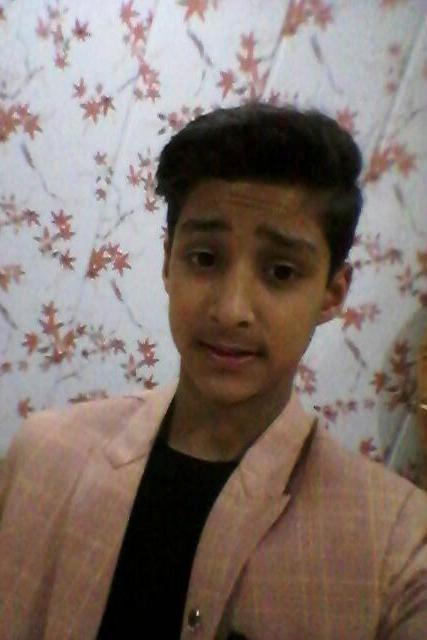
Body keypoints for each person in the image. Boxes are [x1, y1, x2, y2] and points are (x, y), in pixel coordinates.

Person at [0, 103, 426, 640]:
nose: (230, 310)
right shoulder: (42, 456)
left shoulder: (397, 549)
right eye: (205, 258)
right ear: (167, 263)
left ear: (332, 293)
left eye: (281, 271)